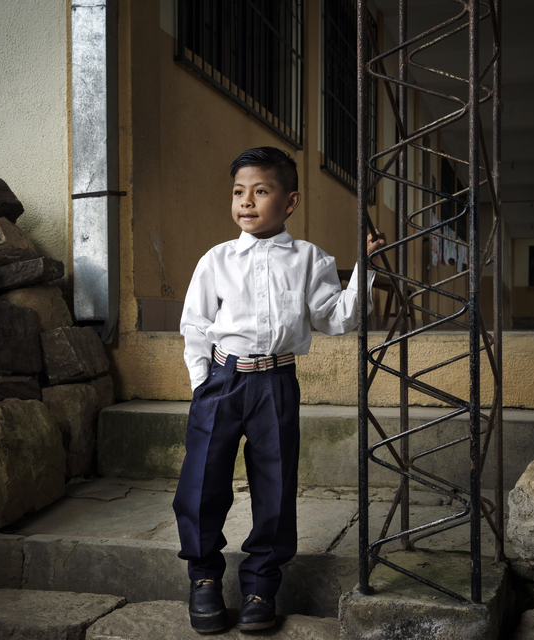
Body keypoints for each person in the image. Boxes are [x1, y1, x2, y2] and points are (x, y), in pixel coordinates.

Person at [173, 146, 386, 633]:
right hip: (222, 382)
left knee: (275, 486)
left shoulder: (310, 259)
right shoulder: (217, 260)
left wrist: (365, 266)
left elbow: (337, 318)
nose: (246, 202)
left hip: (275, 383)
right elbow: (195, 324)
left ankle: (260, 586)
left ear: (289, 202)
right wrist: (202, 382)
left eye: (260, 191)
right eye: (238, 192)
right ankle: (203, 578)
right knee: (201, 483)